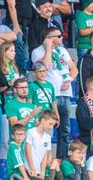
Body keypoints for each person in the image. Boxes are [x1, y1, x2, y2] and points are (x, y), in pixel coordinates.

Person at [31, 26, 77, 159]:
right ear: (49, 38)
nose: (61, 38)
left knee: (65, 130)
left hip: (65, 94)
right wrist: (48, 49)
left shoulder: (63, 50)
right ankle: (46, 159)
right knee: (48, 129)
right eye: (58, 36)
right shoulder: (37, 51)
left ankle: (62, 160)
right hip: (50, 95)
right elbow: (44, 66)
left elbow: (74, 69)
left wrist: (69, 80)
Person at [24, 110, 57, 179]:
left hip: (39, 171)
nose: (51, 127)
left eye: (53, 125)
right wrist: (32, 169)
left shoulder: (47, 137)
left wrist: (42, 172)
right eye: (50, 124)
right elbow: (28, 151)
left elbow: (44, 156)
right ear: (43, 121)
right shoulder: (31, 132)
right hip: (29, 169)